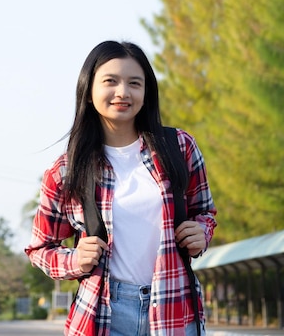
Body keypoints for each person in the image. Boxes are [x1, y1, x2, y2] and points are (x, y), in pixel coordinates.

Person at [25, 40, 217, 336]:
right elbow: (39, 247)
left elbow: (205, 211)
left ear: (146, 93)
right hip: (103, 313)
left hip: (174, 307)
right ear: (89, 90)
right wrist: (75, 259)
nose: (123, 92)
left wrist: (201, 232)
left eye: (134, 83)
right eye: (110, 81)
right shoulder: (65, 171)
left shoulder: (179, 147)